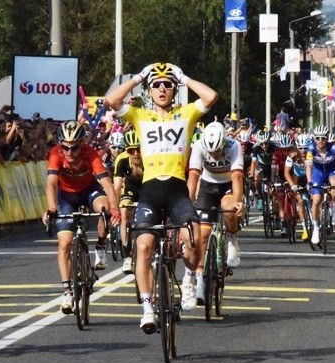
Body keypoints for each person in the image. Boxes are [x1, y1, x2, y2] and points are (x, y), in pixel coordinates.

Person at [104, 62, 218, 334]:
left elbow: (211, 97)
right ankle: (147, 308)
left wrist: (184, 76)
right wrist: (140, 77)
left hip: (177, 189)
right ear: (149, 90)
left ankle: (189, 278)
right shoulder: (140, 116)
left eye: (168, 84)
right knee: (143, 246)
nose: (163, 88)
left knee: (192, 237)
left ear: (174, 89)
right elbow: (111, 100)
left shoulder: (186, 114)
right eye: (157, 85)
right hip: (151, 191)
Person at [41, 121, 120, 314]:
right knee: (65, 243)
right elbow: (51, 184)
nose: (69, 152)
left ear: (82, 144)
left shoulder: (90, 154)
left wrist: (115, 209)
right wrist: (51, 207)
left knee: (104, 207)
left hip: (89, 190)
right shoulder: (55, 154)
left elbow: (107, 184)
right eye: (65, 147)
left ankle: (101, 244)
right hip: (66, 196)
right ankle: (67, 290)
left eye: (74, 148)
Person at [187, 121, 245, 300]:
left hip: (227, 183)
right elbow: (194, 175)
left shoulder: (234, 145)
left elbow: (237, 177)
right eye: (211, 152)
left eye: (218, 151)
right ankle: (200, 280)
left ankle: (232, 239)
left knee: (229, 209)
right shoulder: (198, 145)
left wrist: (238, 202)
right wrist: (188, 201)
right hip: (207, 184)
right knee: (202, 234)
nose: (215, 155)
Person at [304, 124, 335, 247]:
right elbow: (308, 166)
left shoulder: (333, 148)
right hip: (318, 173)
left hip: (331, 171)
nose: (321, 141)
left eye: (323, 138)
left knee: (334, 182)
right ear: (314, 139)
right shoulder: (311, 148)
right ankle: (316, 228)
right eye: (318, 138)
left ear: (327, 138)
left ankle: (334, 210)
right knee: (316, 200)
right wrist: (309, 181)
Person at [112, 129, 143, 274]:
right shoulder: (122, 160)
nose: (136, 154)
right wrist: (115, 208)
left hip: (148, 187)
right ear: (127, 150)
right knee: (125, 213)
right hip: (130, 189)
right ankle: (127, 255)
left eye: (138, 149)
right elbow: (117, 187)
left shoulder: (150, 158)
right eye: (131, 150)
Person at [284, 132, 313, 246]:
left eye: (305, 148)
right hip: (297, 177)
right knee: (300, 201)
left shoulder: (312, 154)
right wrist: (292, 185)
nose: (303, 151)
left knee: (315, 199)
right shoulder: (292, 155)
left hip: (310, 175)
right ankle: (305, 229)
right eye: (300, 148)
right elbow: (286, 172)